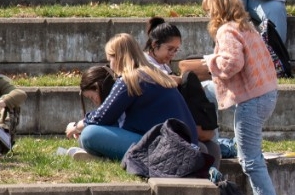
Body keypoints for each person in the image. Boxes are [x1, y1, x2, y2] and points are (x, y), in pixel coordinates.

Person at [203, 0, 283, 195]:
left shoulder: (227, 30)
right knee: (204, 91)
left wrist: (209, 61)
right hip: (266, 94)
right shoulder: (247, 27)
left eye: (209, 11)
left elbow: (232, 64)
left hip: (252, 100)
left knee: (250, 160)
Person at [65, 34, 197, 163]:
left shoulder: (130, 79)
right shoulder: (158, 75)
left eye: (110, 59)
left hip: (163, 150)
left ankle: (104, 156)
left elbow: (103, 116)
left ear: (117, 57)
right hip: (185, 148)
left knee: (89, 134)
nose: (110, 66)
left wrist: (77, 126)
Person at [144, 18, 221, 165]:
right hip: (159, 124)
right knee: (202, 150)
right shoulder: (144, 63)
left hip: (178, 121)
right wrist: (179, 79)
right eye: (170, 49)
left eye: (176, 50)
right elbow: (161, 83)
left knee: (214, 149)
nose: (173, 54)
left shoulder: (163, 65)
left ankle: (213, 184)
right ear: (155, 45)